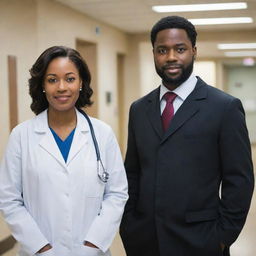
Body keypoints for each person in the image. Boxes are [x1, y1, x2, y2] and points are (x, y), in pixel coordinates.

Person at [120, 16, 254, 256]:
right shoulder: (139, 109)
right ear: (154, 53)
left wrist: (222, 237)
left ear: (193, 51)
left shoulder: (224, 107)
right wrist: (129, 225)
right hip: (145, 240)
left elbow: (240, 180)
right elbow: (133, 172)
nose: (171, 57)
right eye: (162, 50)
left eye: (180, 49)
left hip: (200, 241)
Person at [0, 46, 128, 256]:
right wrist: (40, 247)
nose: (61, 87)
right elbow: (9, 198)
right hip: (39, 252)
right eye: (52, 80)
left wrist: (93, 244)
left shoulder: (102, 134)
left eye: (70, 79)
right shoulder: (21, 136)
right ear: (42, 85)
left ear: (81, 84)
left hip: (90, 251)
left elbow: (116, 193)